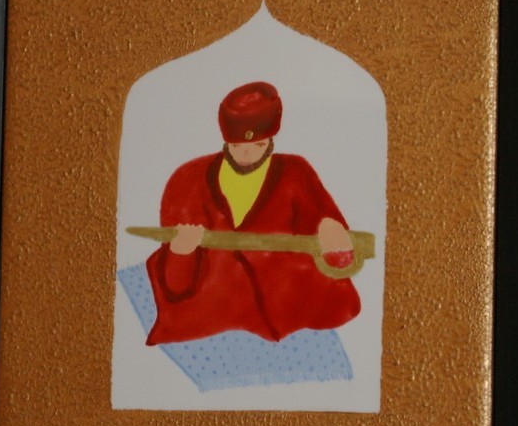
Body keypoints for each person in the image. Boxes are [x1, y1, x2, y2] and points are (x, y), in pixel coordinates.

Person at [142, 81, 359, 346]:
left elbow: (340, 263)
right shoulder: (188, 180)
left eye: (257, 145)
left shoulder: (296, 173)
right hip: (211, 320)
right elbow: (175, 285)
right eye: (237, 146)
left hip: (292, 318)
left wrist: (333, 234)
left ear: (271, 140)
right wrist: (181, 254)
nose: (246, 154)